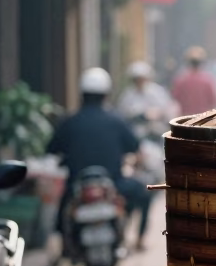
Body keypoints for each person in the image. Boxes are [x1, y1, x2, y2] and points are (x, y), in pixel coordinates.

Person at [47, 67, 153, 252]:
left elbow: (52, 148)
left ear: (82, 94)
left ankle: (64, 243)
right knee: (145, 193)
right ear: (106, 94)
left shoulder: (70, 121)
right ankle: (139, 238)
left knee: (63, 209)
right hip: (114, 184)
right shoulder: (116, 120)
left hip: (77, 187)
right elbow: (134, 146)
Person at [116, 61, 178, 133]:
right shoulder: (127, 95)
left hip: (156, 132)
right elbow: (122, 114)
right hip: (136, 132)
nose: (139, 82)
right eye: (136, 79)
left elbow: (168, 109)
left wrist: (157, 114)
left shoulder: (157, 92)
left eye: (141, 79)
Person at [171, 46, 216, 115]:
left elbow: (175, 97)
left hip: (185, 117)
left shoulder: (181, 80)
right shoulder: (208, 81)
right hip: (203, 118)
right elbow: (213, 100)